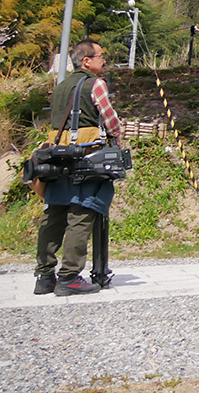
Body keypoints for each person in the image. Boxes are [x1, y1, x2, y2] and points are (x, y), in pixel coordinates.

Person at [34, 39, 123, 296]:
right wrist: (118, 137)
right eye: (100, 56)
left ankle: (44, 276)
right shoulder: (95, 84)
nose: (103, 60)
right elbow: (109, 119)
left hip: (56, 156)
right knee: (81, 213)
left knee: (54, 213)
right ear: (87, 61)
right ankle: (69, 276)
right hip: (86, 156)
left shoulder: (62, 85)